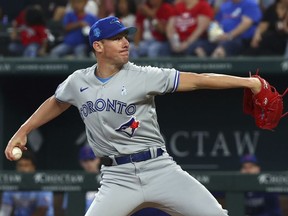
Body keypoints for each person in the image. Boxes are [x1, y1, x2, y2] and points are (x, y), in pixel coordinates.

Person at [5, 16, 263, 216]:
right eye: (116, 38)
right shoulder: (78, 81)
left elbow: (198, 80)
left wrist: (248, 83)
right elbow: (57, 101)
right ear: (98, 46)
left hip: (159, 168)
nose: (126, 42)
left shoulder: (143, 75)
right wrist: (23, 130)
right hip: (117, 177)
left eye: (126, 36)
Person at [194, 0, 262, 58]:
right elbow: (216, 22)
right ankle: (203, 70)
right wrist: (215, 34)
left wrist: (229, 35)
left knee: (220, 51)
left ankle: (214, 70)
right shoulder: (225, 5)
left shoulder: (250, 4)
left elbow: (246, 23)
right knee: (199, 48)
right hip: (222, 38)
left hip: (240, 40)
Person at [0, 151, 54, 216]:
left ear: (33, 168)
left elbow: (41, 211)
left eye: (26, 165)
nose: (23, 169)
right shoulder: (11, 186)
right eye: (20, 165)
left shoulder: (41, 184)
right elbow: (5, 211)